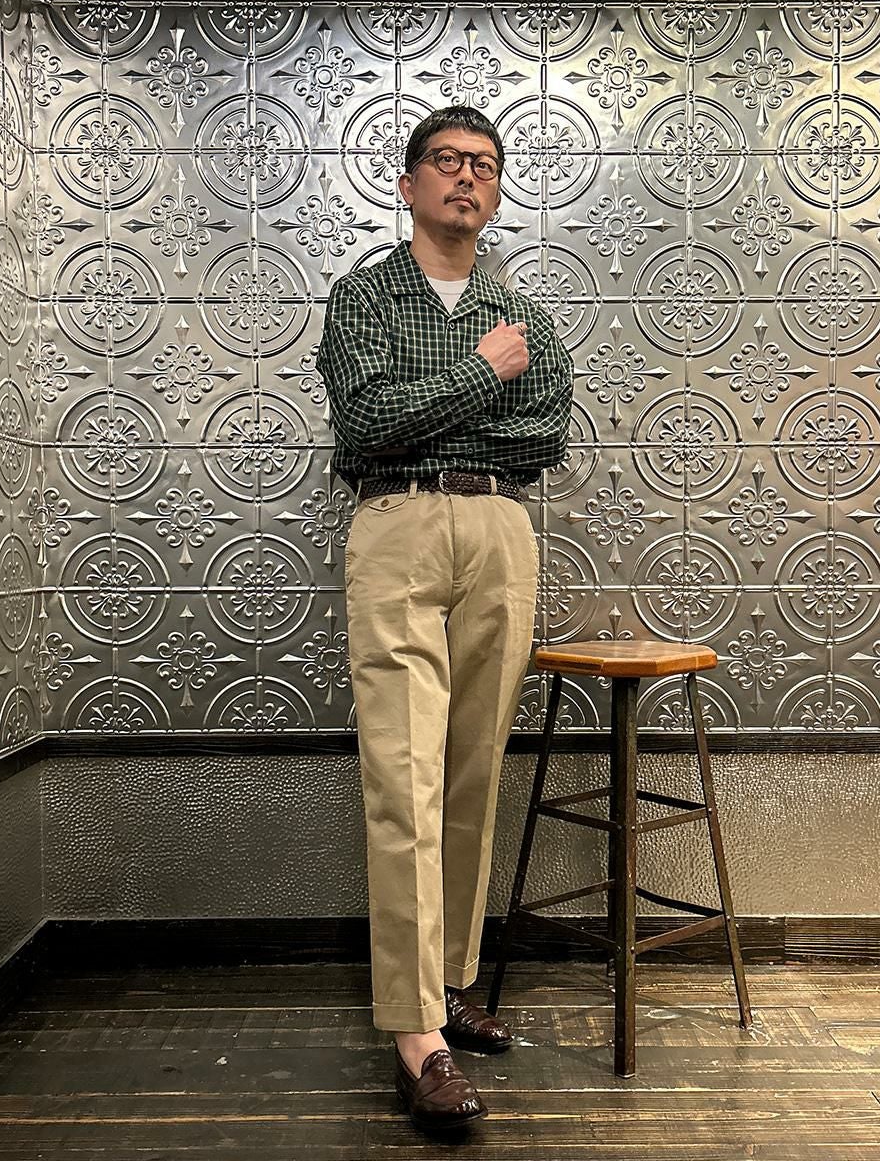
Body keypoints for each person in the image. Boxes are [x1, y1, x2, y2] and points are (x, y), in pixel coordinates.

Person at [316, 104, 573, 1131]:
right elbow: (364, 422)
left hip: (500, 531)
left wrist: (441, 410)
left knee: (471, 771)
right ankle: (415, 1030)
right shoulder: (366, 297)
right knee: (404, 776)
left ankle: (452, 980)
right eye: (449, 161)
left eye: (486, 165)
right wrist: (481, 375)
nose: (469, 177)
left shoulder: (525, 313)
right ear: (409, 182)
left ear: (496, 191)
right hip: (399, 526)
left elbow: (543, 438)